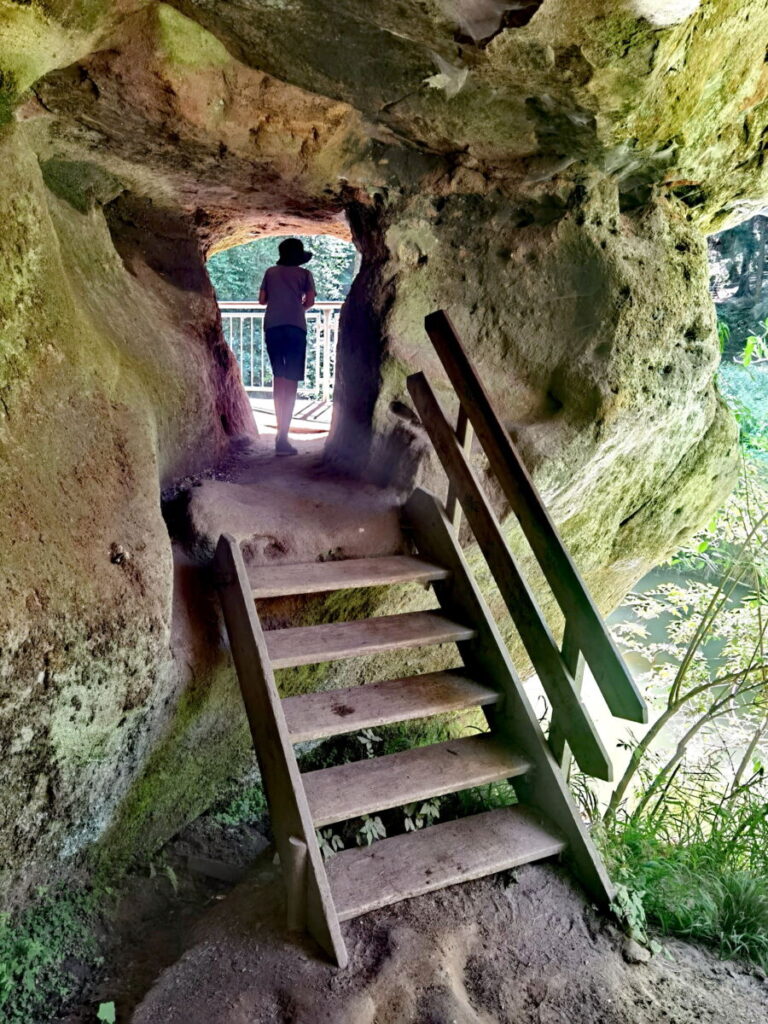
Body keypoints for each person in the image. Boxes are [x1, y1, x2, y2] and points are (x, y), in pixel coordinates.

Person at [258, 238, 316, 456]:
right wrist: (295, 307)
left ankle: (279, 434)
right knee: (291, 381)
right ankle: (283, 436)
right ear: (298, 258)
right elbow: (309, 302)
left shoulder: (270, 272)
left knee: (278, 378)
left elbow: (262, 300)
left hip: (272, 326)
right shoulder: (305, 275)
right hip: (296, 328)